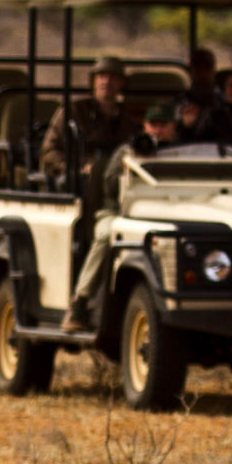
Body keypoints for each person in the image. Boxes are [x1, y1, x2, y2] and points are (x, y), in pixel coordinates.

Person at [61, 105, 179, 333]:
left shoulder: (180, 152)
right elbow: (108, 184)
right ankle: (80, 302)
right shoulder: (128, 149)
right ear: (144, 126)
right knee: (106, 235)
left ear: (173, 128)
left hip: (166, 215)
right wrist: (132, 162)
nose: (158, 131)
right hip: (119, 212)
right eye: (153, 125)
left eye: (163, 125)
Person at [39, 55, 139, 181]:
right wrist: (74, 170)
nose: (106, 81)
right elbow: (49, 150)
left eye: (113, 77)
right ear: (93, 81)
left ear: (122, 83)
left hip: (115, 177)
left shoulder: (128, 119)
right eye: (101, 76)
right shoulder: (73, 112)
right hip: (77, 178)